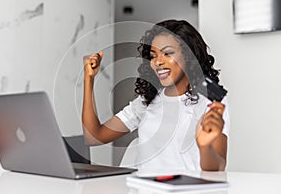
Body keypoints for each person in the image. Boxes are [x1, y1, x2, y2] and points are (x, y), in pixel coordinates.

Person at [82, 20, 230, 171]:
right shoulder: (147, 100)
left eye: (167, 53)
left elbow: (218, 169)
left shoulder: (210, 103)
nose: (158, 62)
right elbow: (94, 137)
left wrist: (205, 147)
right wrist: (89, 79)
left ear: (189, 55)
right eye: (153, 56)